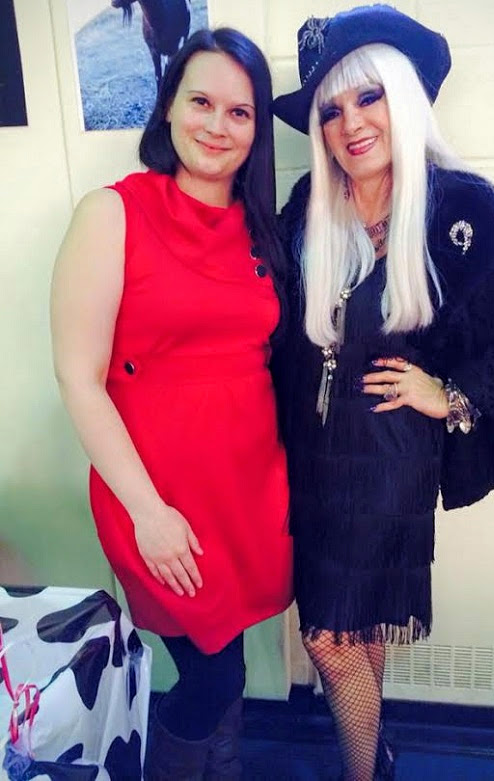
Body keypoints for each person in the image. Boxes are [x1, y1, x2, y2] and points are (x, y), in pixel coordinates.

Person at [272, 5, 494, 780]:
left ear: (404, 98)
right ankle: (375, 750)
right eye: (330, 110)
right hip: (311, 462)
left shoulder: (458, 212)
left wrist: (453, 393)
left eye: (369, 97)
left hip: (389, 463)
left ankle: (363, 773)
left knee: (328, 641)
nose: (351, 123)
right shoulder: (308, 209)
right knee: (355, 630)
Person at [51, 28, 293, 780]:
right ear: (169, 107)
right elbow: (79, 376)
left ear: (256, 130)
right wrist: (148, 513)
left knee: (229, 661)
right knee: (212, 675)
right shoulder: (112, 214)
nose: (217, 126)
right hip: (157, 498)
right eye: (201, 102)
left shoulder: (263, 230)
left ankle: (223, 768)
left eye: (239, 112)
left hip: (249, 493)